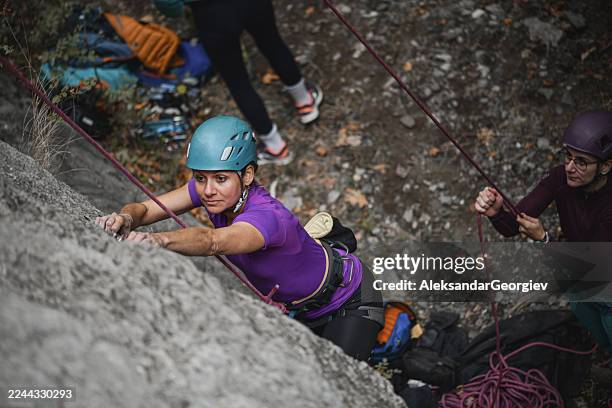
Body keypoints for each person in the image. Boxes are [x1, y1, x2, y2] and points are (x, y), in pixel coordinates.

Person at [96, 115, 382, 361]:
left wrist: (159, 241)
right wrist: (126, 218)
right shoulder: (214, 191)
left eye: (220, 178)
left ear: (247, 175)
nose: (207, 190)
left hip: (349, 302)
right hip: (300, 309)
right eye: (200, 178)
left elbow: (212, 241)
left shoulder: (267, 217)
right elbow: (146, 208)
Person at [474, 110, 612, 353]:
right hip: (577, 277)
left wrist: (545, 239)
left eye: (581, 161)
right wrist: (497, 212)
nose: (570, 167)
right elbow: (513, 225)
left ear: (605, 166)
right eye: (568, 156)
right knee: (590, 320)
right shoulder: (560, 178)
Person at [183, 0, 323, 165]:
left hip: (209, 14)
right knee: (273, 43)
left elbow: (168, 4)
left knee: (237, 80)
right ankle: (304, 101)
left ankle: (275, 146)